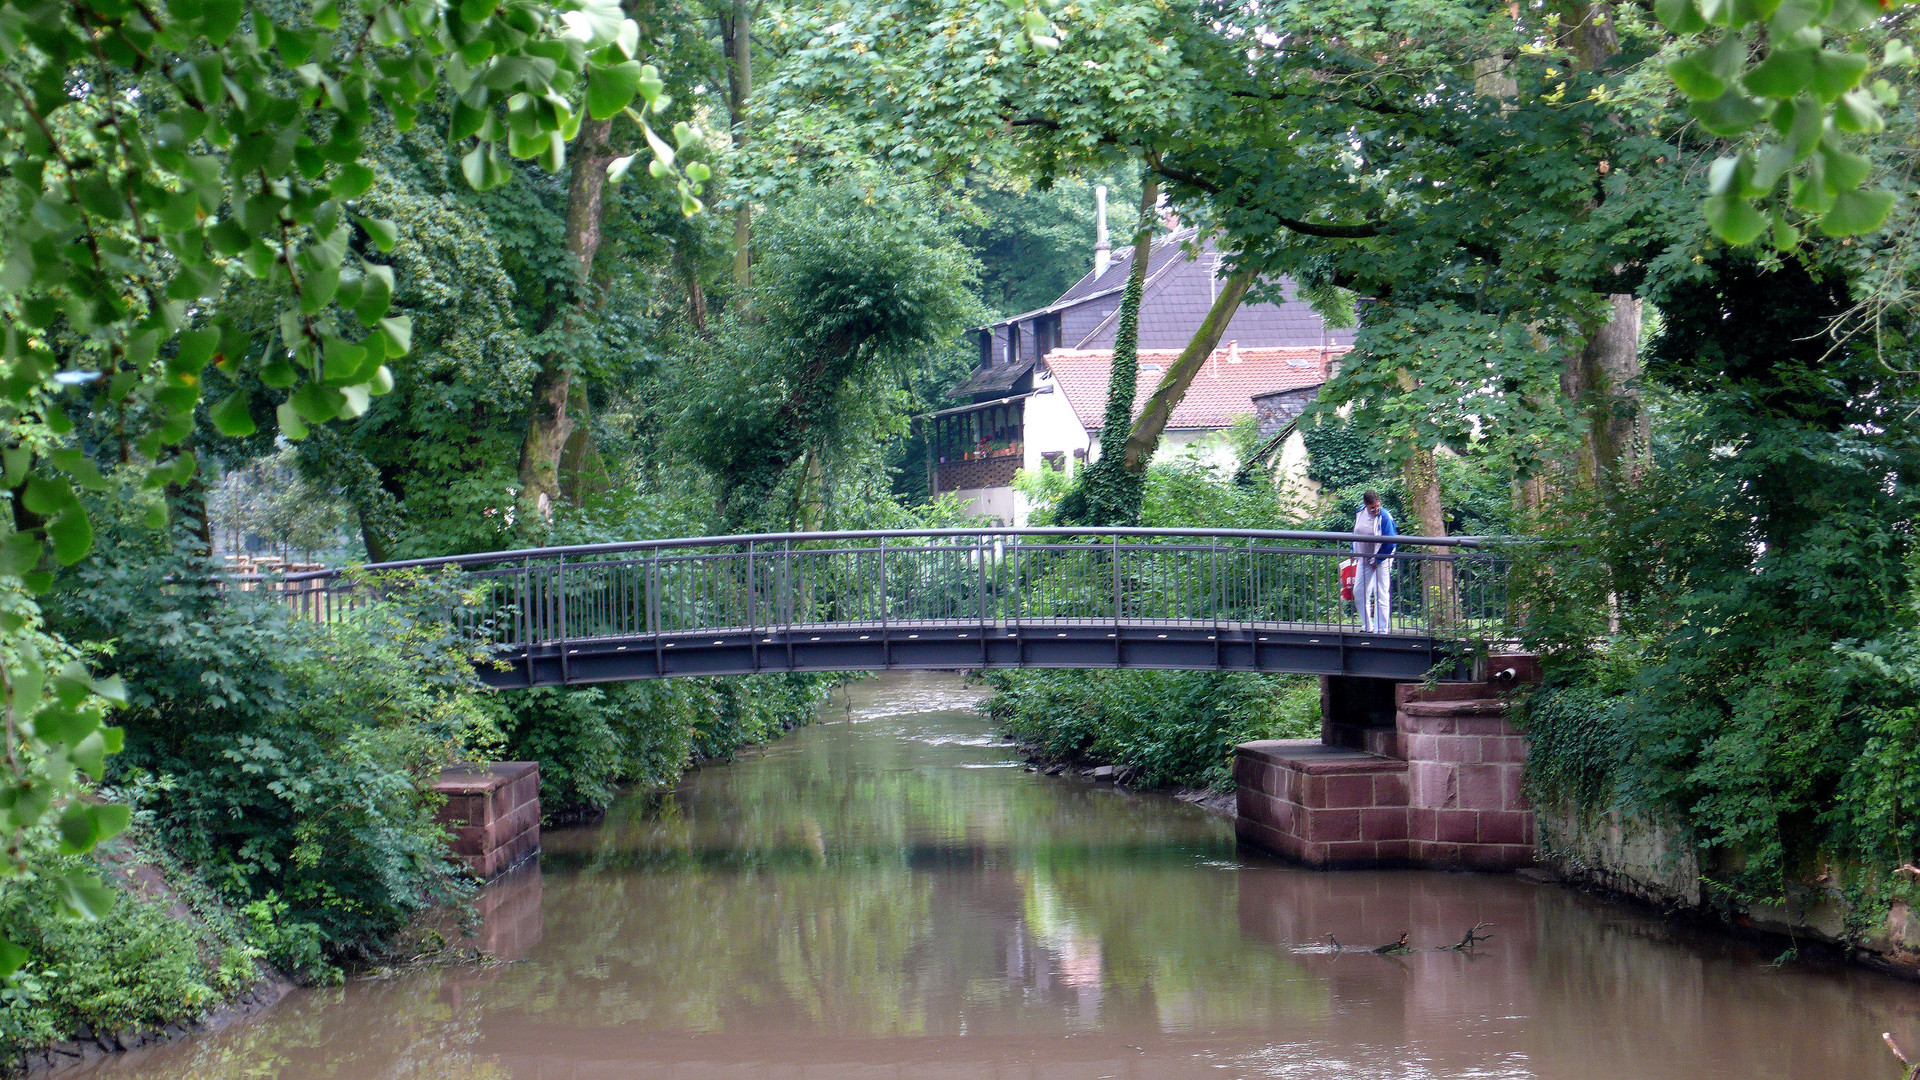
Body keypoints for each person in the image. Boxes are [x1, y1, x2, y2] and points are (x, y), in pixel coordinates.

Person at [1350, 491, 1397, 632]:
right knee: (1359, 591)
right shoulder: (1360, 512)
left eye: (1378, 506)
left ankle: (1382, 630)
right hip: (1364, 557)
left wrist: (1378, 560)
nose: (1376, 510)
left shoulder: (1385, 517)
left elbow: (1390, 542)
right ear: (1365, 505)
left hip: (1382, 557)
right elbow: (1355, 533)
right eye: (1372, 508)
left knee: (1381, 591)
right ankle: (1367, 626)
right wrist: (1353, 550)